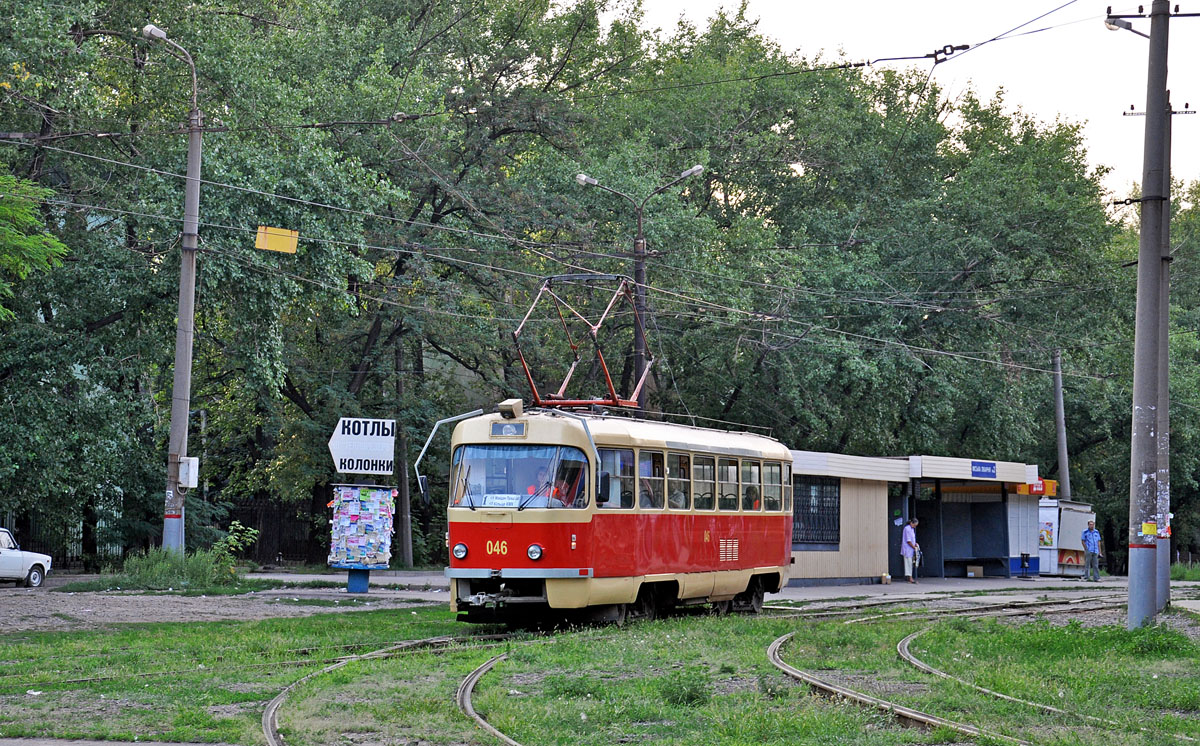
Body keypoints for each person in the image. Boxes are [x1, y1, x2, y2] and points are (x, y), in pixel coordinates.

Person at [901, 517, 920, 584]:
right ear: (911, 523)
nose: (915, 527)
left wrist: (915, 544)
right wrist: (913, 547)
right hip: (908, 549)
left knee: (911, 563)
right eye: (914, 525)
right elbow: (908, 541)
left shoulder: (911, 529)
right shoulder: (907, 529)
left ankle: (910, 577)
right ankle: (910, 578)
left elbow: (912, 539)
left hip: (911, 549)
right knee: (908, 563)